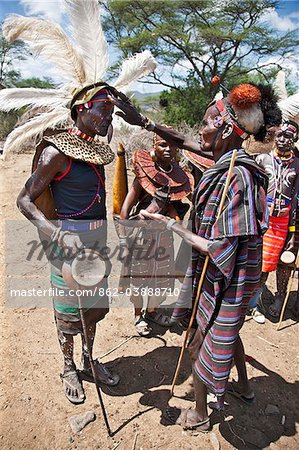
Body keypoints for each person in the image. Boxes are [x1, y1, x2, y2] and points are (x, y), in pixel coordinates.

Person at [112, 83, 282, 430]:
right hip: (226, 274)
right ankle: (245, 389)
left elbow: (220, 249)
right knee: (228, 332)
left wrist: (167, 225)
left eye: (205, 122)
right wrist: (144, 123)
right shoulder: (227, 159)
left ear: (223, 128)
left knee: (196, 340)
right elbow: (188, 142)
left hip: (222, 276)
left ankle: (202, 413)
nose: (198, 130)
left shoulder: (236, 176)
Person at [17, 86, 122, 404]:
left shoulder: (96, 153)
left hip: (96, 244)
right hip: (67, 245)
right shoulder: (56, 154)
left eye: (111, 111)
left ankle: (90, 361)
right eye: (103, 109)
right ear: (81, 109)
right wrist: (58, 233)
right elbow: (24, 201)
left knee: (92, 309)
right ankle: (68, 367)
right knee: (68, 312)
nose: (109, 115)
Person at [119, 133, 193, 336]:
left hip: (164, 238)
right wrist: (125, 242)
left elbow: (175, 209)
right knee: (139, 279)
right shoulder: (142, 177)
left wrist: (172, 215)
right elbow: (124, 211)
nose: (168, 149)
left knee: (159, 279)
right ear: (154, 148)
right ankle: (138, 315)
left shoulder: (178, 178)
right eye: (162, 145)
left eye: (172, 146)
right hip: (142, 237)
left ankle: (152, 311)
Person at [251, 120, 299, 323]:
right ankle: (252, 302)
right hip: (261, 218)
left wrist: (292, 232)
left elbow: (296, 199)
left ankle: (278, 298)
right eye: (280, 135)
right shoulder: (262, 159)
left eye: (288, 136)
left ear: (295, 139)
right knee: (258, 262)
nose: (283, 140)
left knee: (279, 261)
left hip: (283, 221)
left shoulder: (297, 165)